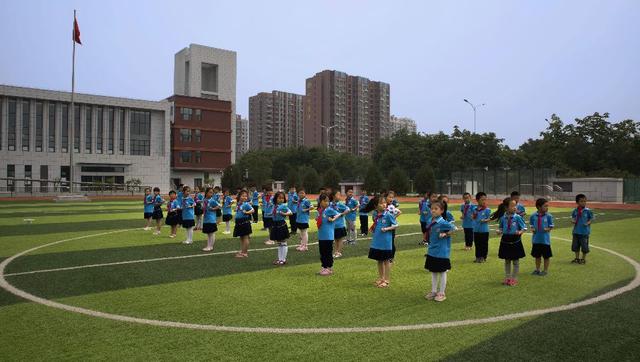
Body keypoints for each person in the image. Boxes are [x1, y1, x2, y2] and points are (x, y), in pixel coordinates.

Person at [424, 201, 455, 302]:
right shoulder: (430, 220)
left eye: (436, 209)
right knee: (433, 271)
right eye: (432, 208)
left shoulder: (443, 222)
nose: (433, 210)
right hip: (432, 250)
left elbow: (454, 228)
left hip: (442, 251)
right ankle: (433, 291)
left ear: (442, 211)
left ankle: (442, 293)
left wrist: (446, 234)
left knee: (442, 272)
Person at [365, 195, 398, 288]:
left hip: (386, 243)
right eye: (381, 203)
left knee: (386, 261)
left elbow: (396, 225)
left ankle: (386, 280)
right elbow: (377, 225)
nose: (384, 204)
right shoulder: (377, 215)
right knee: (379, 261)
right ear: (376, 206)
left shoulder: (388, 215)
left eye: (384, 203)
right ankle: (381, 278)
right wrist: (373, 228)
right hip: (377, 242)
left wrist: (387, 228)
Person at [495, 198, 527, 286]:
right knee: (507, 260)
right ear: (506, 207)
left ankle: (514, 279)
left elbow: (524, 227)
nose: (515, 207)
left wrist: (520, 232)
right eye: (512, 206)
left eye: (515, 205)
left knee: (516, 261)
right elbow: (501, 227)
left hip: (515, 240)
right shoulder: (503, 218)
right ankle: (507, 278)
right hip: (505, 240)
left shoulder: (518, 217)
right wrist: (499, 231)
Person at [316, 193, 341, 276]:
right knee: (322, 252)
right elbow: (319, 219)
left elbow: (338, 214)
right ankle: (324, 266)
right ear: (320, 201)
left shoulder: (329, 210)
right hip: (321, 235)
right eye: (325, 201)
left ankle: (329, 267)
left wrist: (333, 219)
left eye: (328, 201)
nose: (327, 203)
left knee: (328, 252)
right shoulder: (320, 211)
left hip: (328, 235)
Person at [530, 198, 554, 275]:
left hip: (545, 241)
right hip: (536, 240)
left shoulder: (549, 216)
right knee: (537, 256)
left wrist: (548, 229)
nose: (547, 208)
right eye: (545, 206)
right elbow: (531, 225)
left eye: (547, 206)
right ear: (538, 207)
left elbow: (551, 226)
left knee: (546, 256)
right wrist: (533, 228)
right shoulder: (533, 216)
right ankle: (537, 269)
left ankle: (545, 270)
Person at [271, 191, 293, 265]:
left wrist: (285, 213)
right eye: (279, 198)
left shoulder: (283, 206)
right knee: (279, 243)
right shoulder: (274, 206)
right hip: (275, 224)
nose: (281, 199)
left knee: (283, 242)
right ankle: (280, 259)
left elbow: (290, 212)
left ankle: (283, 259)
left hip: (281, 224)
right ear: (276, 199)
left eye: (282, 198)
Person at [571, 194, 594, 264]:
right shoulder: (575, 211)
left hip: (584, 232)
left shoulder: (588, 211)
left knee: (584, 246)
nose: (583, 202)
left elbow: (592, 218)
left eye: (584, 201)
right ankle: (577, 258)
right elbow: (573, 217)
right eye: (581, 201)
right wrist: (572, 220)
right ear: (577, 202)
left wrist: (588, 222)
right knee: (575, 246)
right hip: (576, 232)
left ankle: (583, 259)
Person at [233, 190, 255, 258]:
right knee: (242, 237)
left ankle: (244, 253)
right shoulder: (239, 204)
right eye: (243, 196)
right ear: (239, 196)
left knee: (245, 237)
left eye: (246, 196)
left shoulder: (246, 204)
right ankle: (243, 250)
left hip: (244, 222)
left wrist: (246, 213)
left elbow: (252, 210)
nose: (244, 197)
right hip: (239, 222)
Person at [472, 192, 492, 263]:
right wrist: (473, 217)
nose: (484, 201)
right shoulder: (474, 209)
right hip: (476, 230)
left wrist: (485, 220)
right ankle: (478, 257)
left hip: (484, 230)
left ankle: (483, 257)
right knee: (477, 244)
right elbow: (474, 217)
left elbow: (490, 218)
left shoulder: (487, 210)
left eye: (485, 200)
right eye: (482, 200)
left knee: (484, 244)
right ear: (477, 200)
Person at [330, 191, 350, 258]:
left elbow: (348, 209)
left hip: (340, 225)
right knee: (336, 240)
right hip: (333, 225)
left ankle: (339, 252)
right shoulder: (330, 204)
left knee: (340, 239)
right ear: (333, 196)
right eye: (338, 194)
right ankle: (336, 251)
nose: (339, 196)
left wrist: (341, 214)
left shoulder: (340, 204)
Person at [202, 187, 220, 252]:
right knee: (208, 233)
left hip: (211, 219)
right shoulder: (204, 200)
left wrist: (213, 209)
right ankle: (208, 246)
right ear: (206, 192)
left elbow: (219, 206)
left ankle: (210, 246)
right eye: (210, 192)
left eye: (212, 193)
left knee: (211, 233)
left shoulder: (212, 200)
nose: (211, 194)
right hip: (206, 218)